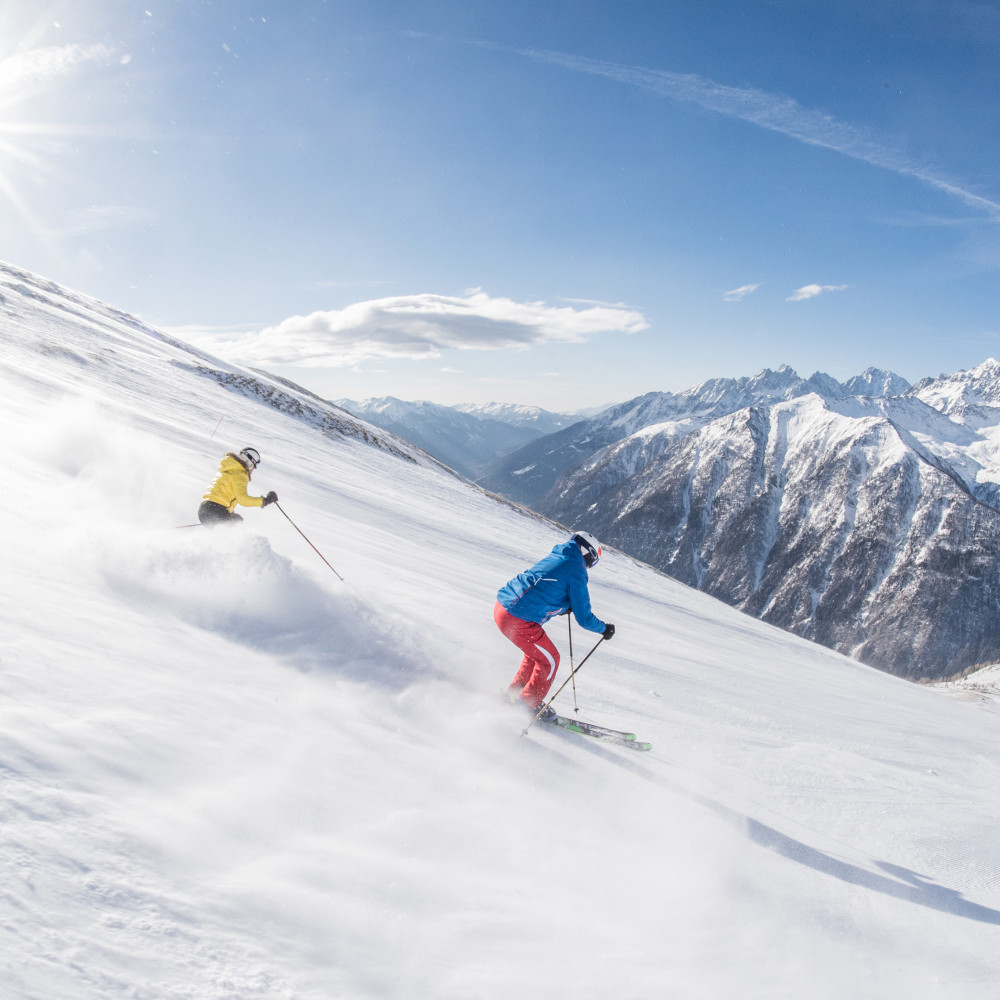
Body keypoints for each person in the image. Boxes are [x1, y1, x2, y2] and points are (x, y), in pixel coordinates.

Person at [495, 530, 615, 719]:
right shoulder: (576, 569)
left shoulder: (561, 555)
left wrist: (564, 606)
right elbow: (584, 618)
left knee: (536, 655)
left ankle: (513, 695)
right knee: (550, 660)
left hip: (504, 608)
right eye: (594, 559)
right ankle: (527, 705)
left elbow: (546, 587)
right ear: (587, 552)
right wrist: (604, 629)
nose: (591, 565)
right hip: (518, 617)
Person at [198, 446, 278, 526]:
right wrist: (265, 501)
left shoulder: (229, 468)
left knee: (222, 532)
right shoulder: (240, 474)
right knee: (231, 534)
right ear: (249, 463)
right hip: (216, 510)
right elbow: (243, 500)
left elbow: (222, 495)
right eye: (254, 466)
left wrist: (231, 515)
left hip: (205, 509)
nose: (253, 470)